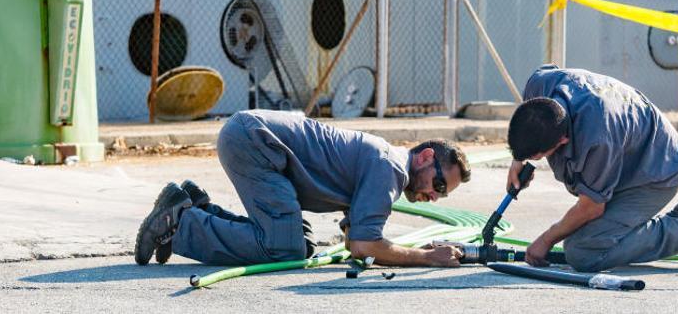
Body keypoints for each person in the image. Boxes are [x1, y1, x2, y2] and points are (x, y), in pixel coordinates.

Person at [134, 109, 471, 267]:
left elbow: (356, 237)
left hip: (252, 136)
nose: (433, 196)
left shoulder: (385, 160)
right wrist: (428, 258)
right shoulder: (391, 169)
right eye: (438, 184)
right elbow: (365, 246)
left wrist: (422, 248)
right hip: (256, 141)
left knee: (301, 243)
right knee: (284, 248)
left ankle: (194, 206)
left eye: (441, 194)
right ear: (426, 157)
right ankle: (179, 224)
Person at [506, 65, 678, 272]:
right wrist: (519, 158)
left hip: (656, 172)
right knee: (587, 236)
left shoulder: (597, 139)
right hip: (629, 151)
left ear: (562, 141)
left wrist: (546, 240)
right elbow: (529, 122)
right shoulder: (540, 84)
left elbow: (591, 208)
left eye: (539, 155)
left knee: (583, 252)